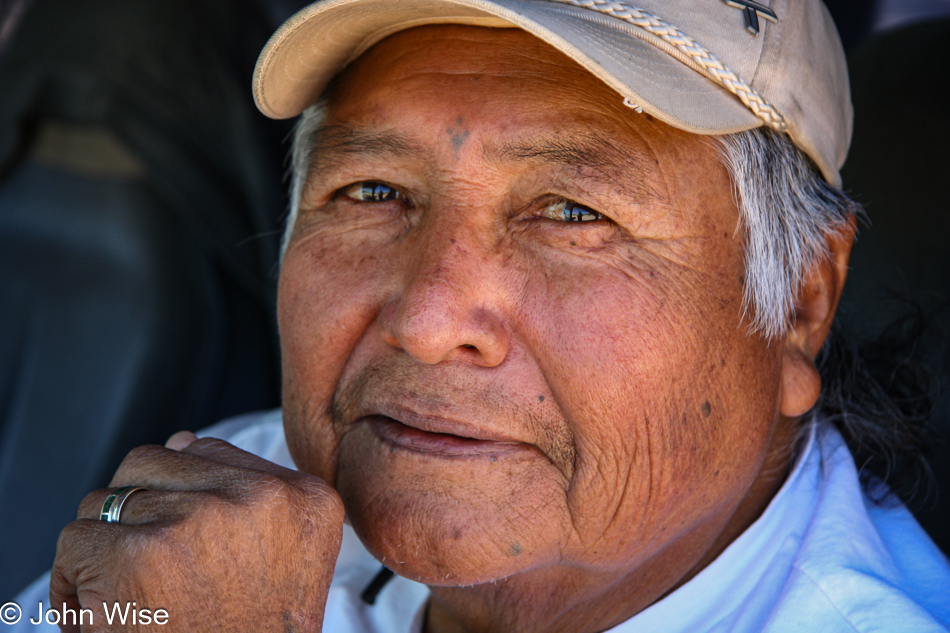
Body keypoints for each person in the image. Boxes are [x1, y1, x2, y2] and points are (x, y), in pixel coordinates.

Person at [9, 0, 950, 631]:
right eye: (372, 190)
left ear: (797, 303)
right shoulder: (230, 511)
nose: (426, 318)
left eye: (575, 213)